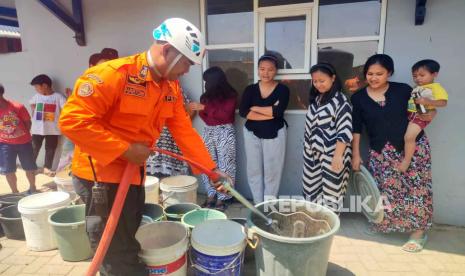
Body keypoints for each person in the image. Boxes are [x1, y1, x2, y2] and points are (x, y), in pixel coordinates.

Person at [59, 18, 230, 275]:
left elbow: (184, 131)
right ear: (166, 50)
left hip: (133, 176)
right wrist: (125, 149)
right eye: (185, 62)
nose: (186, 71)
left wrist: (211, 170)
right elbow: (72, 121)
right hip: (101, 179)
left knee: (127, 241)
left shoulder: (169, 87)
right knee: (116, 251)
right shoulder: (114, 75)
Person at [351, 54, 434, 253]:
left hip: (412, 149)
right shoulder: (359, 97)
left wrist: (428, 112)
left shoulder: (404, 90)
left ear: (389, 73)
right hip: (381, 151)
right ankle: (385, 225)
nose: (374, 77)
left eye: (379, 73)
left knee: (416, 189)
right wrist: (355, 154)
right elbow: (356, 128)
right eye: (370, 74)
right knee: (384, 191)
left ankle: (417, 233)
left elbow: (424, 111)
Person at [239, 54, 289, 204]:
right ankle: (258, 205)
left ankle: (268, 207)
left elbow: (278, 112)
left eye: (270, 70)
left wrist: (255, 108)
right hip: (251, 133)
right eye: (262, 69)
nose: (265, 73)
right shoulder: (250, 89)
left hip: (275, 133)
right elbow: (243, 112)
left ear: (276, 71)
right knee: (254, 170)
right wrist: (269, 111)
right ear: (257, 70)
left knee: (272, 172)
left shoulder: (283, 89)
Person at [302, 63, 352, 212]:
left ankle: (329, 225)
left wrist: (337, 156)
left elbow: (345, 130)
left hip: (333, 154)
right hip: (312, 154)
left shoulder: (341, 101)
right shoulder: (316, 100)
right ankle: (313, 220)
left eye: (322, 80)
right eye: (315, 81)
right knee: (310, 189)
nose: (318, 84)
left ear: (333, 78)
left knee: (332, 192)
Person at [190, 67, 237, 211]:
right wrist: (203, 109)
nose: (205, 84)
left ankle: (223, 198)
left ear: (215, 81)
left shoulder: (231, 95)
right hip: (209, 130)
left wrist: (204, 108)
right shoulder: (206, 96)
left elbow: (225, 115)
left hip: (225, 130)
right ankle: (211, 194)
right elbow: (204, 117)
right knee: (208, 164)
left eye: (207, 81)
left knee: (226, 165)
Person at [398, 59, 448, 172]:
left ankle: (406, 160)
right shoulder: (416, 87)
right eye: (415, 76)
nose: (418, 78)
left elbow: (443, 102)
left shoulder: (436, 87)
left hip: (421, 115)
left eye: (422, 75)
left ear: (434, 74)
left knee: (409, 137)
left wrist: (428, 102)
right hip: (412, 114)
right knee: (407, 136)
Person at [146, 89, 194, 178]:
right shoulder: (148, 90)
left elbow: (191, 111)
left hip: (170, 136)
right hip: (156, 136)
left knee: (173, 178)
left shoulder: (177, 92)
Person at [0, 84, 37, 194]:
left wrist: (22, 135)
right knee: (8, 170)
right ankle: (15, 193)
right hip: (4, 144)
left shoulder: (18, 107)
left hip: (24, 143)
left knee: (29, 167)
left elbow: (28, 123)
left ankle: (33, 188)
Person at [29, 74, 66, 177]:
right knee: (34, 147)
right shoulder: (37, 96)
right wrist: (34, 113)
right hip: (37, 129)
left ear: (45, 85)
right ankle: (31, 167)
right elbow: (32, 104)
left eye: (37, 87)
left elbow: (66, 108)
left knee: (50, 149)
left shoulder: (58, 97)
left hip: (53, 129)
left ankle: (47, 167)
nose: (36, 89)